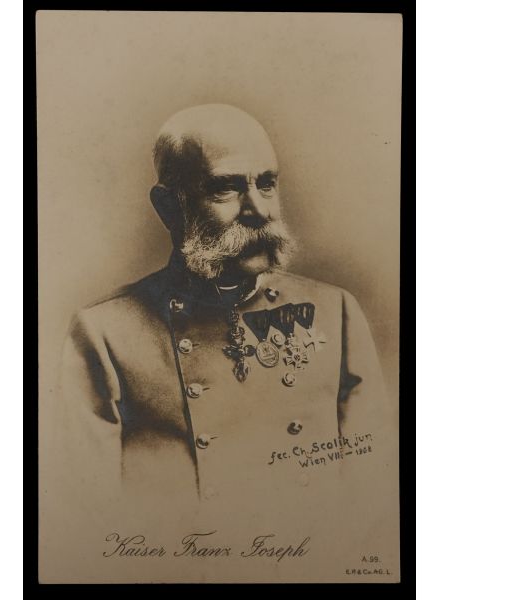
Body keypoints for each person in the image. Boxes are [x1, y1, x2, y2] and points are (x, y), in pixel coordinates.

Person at [57, 104, 393, 519]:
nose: (259, 210)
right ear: (168, 207)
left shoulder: (335, 312)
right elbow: (88, 517)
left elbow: (371, 498)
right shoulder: (104, 334)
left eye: (266, 184)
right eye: (226, 188)